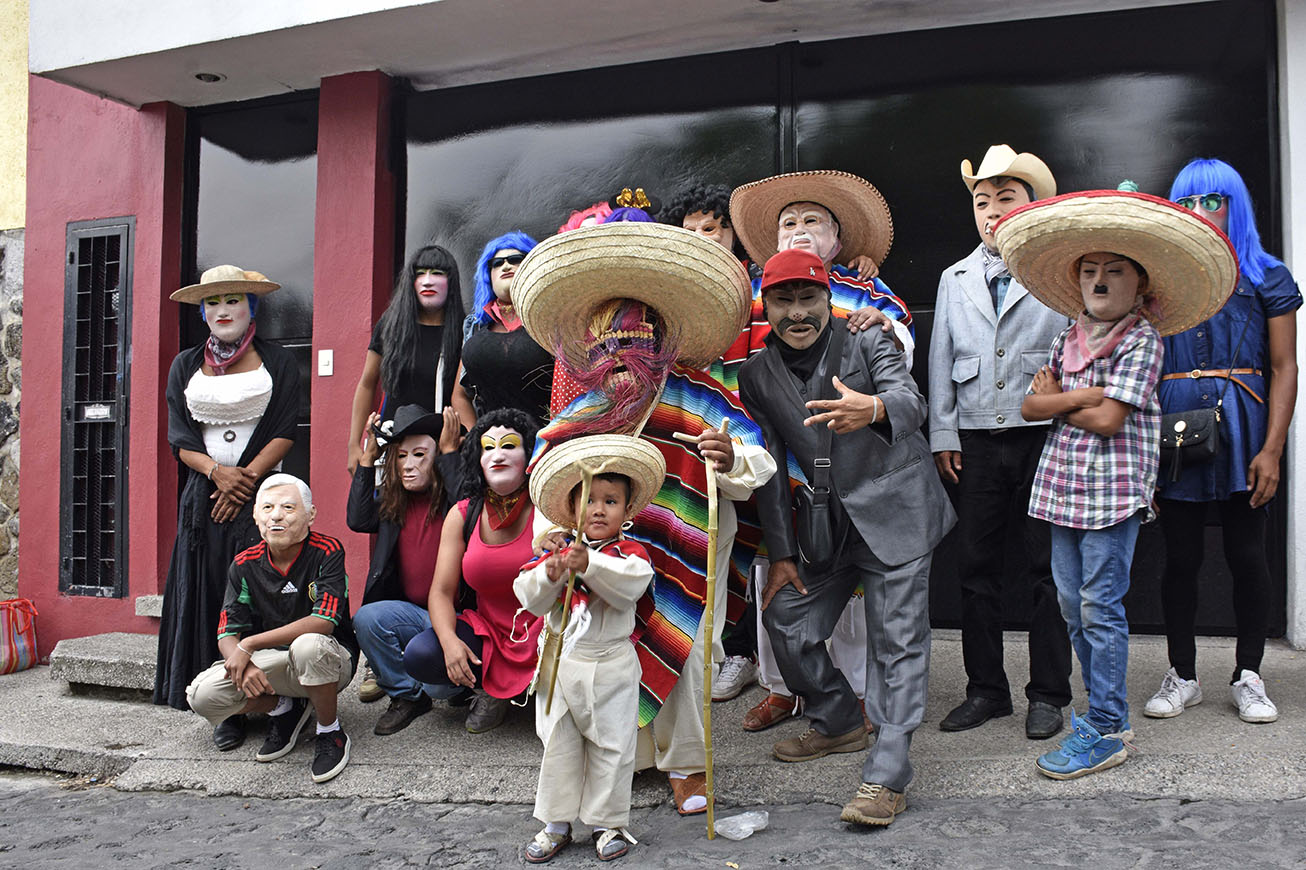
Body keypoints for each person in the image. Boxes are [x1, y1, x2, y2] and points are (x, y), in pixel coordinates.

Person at [515, 221, 776, 816]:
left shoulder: (699, 394)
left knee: (680, 655)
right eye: (608, 345)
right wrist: (550, 537)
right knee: (590, 656)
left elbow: (755, 461)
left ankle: (686, 767)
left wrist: (731, 454)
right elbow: (545, 485)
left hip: (679, 555)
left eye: (635, 344)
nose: (621, 358)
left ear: (658, 343)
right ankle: (615, 764)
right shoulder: (578, 411)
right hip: (595, 560)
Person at [999, 187, 1237, 779]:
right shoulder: (1064, 338)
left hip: (1112, 495)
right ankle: (1103, 716)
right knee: (1072, 608)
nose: (1099, 280)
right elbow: (1029, 409)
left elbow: (1108, 421)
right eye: (1089, 270)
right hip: (1061, 491)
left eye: (1114, 271)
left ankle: (1105, 725)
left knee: (1100, 608)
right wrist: (1073, 397)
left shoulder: (1141, 339)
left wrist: (1059, 399)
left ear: (1141, 286)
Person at [738, 248, 954, 828]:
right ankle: (838, 720)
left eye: (808, 298)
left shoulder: (867, 339)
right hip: (825, 528)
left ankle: (887, 775)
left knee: (897, 639)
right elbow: (768, 464)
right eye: (783, 301)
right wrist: (782, 553)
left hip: (899, 511)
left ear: (827, 300)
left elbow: (912, 402)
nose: (797, 313)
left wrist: (876, 407)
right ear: (768, 306)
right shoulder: (755, 374)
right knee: (785, 618)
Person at [728, 170, 910, 733]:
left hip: (851, 465)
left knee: (849, 590)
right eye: (788, 223)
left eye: (812, 221)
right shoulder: (749, 293)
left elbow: (897, 362)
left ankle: (853, 693)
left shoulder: (867, 292)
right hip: (773, 464)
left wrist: (879, 326)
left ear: (837, 238)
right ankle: (784, 688)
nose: (799, 230)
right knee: (775, 573)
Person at [1145, 158, 1302, 724]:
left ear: (1236, 204)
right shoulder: (1160, 279)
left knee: (1246, 554)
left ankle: (1249, 674)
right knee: (1180, 556)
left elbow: (1285, 366)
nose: (1198, 213)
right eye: (1186, 203)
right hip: (1176, 426)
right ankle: (1182, 674)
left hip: (1246, 428)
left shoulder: (1266, 275)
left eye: (1211, 200)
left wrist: (1273, 449)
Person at [929, 145, 1073, 740]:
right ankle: (986, 689)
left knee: (1047, 569)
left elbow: (1075, 342)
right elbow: (940, 359)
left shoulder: (1055, 268)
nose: (991, 212)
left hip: (1044, 435)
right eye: (982, 202)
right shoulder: (954, 277)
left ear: (1030, 204)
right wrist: (943, 432)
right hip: (977, 439)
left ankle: (1049, 694)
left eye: (1005, 198)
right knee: (976, 567)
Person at [154, 265, 301, 755]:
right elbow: (180, 437)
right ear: (203, 312)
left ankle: (279, 703)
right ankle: (228, 708)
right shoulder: (183, 365)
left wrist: (245, 483)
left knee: (263, 595)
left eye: (233, 300)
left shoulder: (277, 361)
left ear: (250, 307)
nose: (223, 311)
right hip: (205, 500)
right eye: (213, 303)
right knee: (213, 592)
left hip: (264, 495)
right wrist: (219, 475)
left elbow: (284, 427)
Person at [514, 434, 665, 863]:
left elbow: (630, 585)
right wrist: (554, 572)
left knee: (613, 746)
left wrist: (591, 565)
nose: (599, 509)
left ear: (626, 510)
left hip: (613, 663)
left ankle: (607, 823)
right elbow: (528, 596)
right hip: (563, 662)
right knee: (558, 742)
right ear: (573, 506)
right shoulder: (557, 551)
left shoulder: (629, 554)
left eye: (611, 501)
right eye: (591, 500)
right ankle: (556, 823)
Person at [185, 474, 358, 784]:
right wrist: (241, 661)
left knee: (310, 644)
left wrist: (249, 645)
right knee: (202, 695)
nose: (276, 515)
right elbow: (228, 630)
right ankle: (284, 708)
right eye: (267, 508)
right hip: (274, 666)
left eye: (288, 507)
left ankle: (329, 731)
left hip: (329, 661)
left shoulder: (327, 552)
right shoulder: (244, 564)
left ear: (311, 515)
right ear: (255, 515)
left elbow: (325, 621)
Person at [402, 408, 543, 733]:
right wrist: (450, 642)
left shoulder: (549, 507)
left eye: (509, 445)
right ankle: (491, 690)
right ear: (477, 459)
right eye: (487, 447)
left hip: (546, 634)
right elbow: (440, 592)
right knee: (421, 654)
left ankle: (546, 692)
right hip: (489, 634)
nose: (498, 455)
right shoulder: (463, 513)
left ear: (530, 453)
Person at [348, 404, 464, 735]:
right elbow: (357, 519)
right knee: (367, 617)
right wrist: (368, 457)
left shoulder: (452, 499)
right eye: (401, 457)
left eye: (419, 455)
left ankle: (453, 685)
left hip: (458, 619)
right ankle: (407, 695)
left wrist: (450, 455)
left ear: (438, 455)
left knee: (443, 689)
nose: (408, 465)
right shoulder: (392, 502)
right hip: (413, 616)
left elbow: (469, 513)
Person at [346, 244, 466, 476]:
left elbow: (466, 396)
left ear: (451, 281)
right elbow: (367, 383)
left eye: (437, 273)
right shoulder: (391, 326)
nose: (427, 281)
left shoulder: (464, 330)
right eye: (420, 273)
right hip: (394, 446)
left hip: (443, 449)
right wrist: (353, 444)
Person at [452, 232, 552, 425]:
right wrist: (476, 441)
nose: (506, 266)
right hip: (492, 446)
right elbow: (459, 396)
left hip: (545, 444)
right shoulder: (476, 325)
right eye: (497, 263)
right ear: (487, 275)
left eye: (515, 260)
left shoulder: (552, 320)